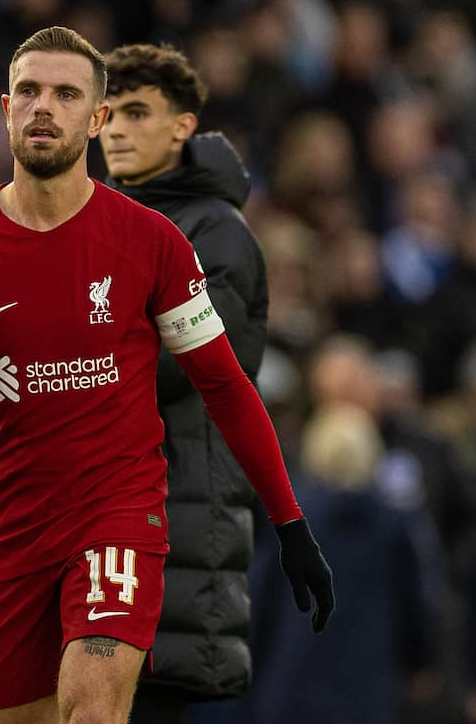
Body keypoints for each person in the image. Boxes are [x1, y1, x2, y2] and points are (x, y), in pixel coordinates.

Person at [0, 26, 334, 724]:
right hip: (9, 536)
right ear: (5, 108)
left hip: (116, 517)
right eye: (30, 92)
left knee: (94, 706)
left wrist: (290, 523)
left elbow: (225, 384)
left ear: (95, 119)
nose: (45, 107)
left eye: (67, 94)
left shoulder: (151, 242)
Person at [100, 43, 268, 723]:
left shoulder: (216, 234)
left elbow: (188, 362)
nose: (114, 129)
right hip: (114, 514)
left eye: (137, 112)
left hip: (176, 521)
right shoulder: (105, 223)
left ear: (183, 126)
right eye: (107, 113)